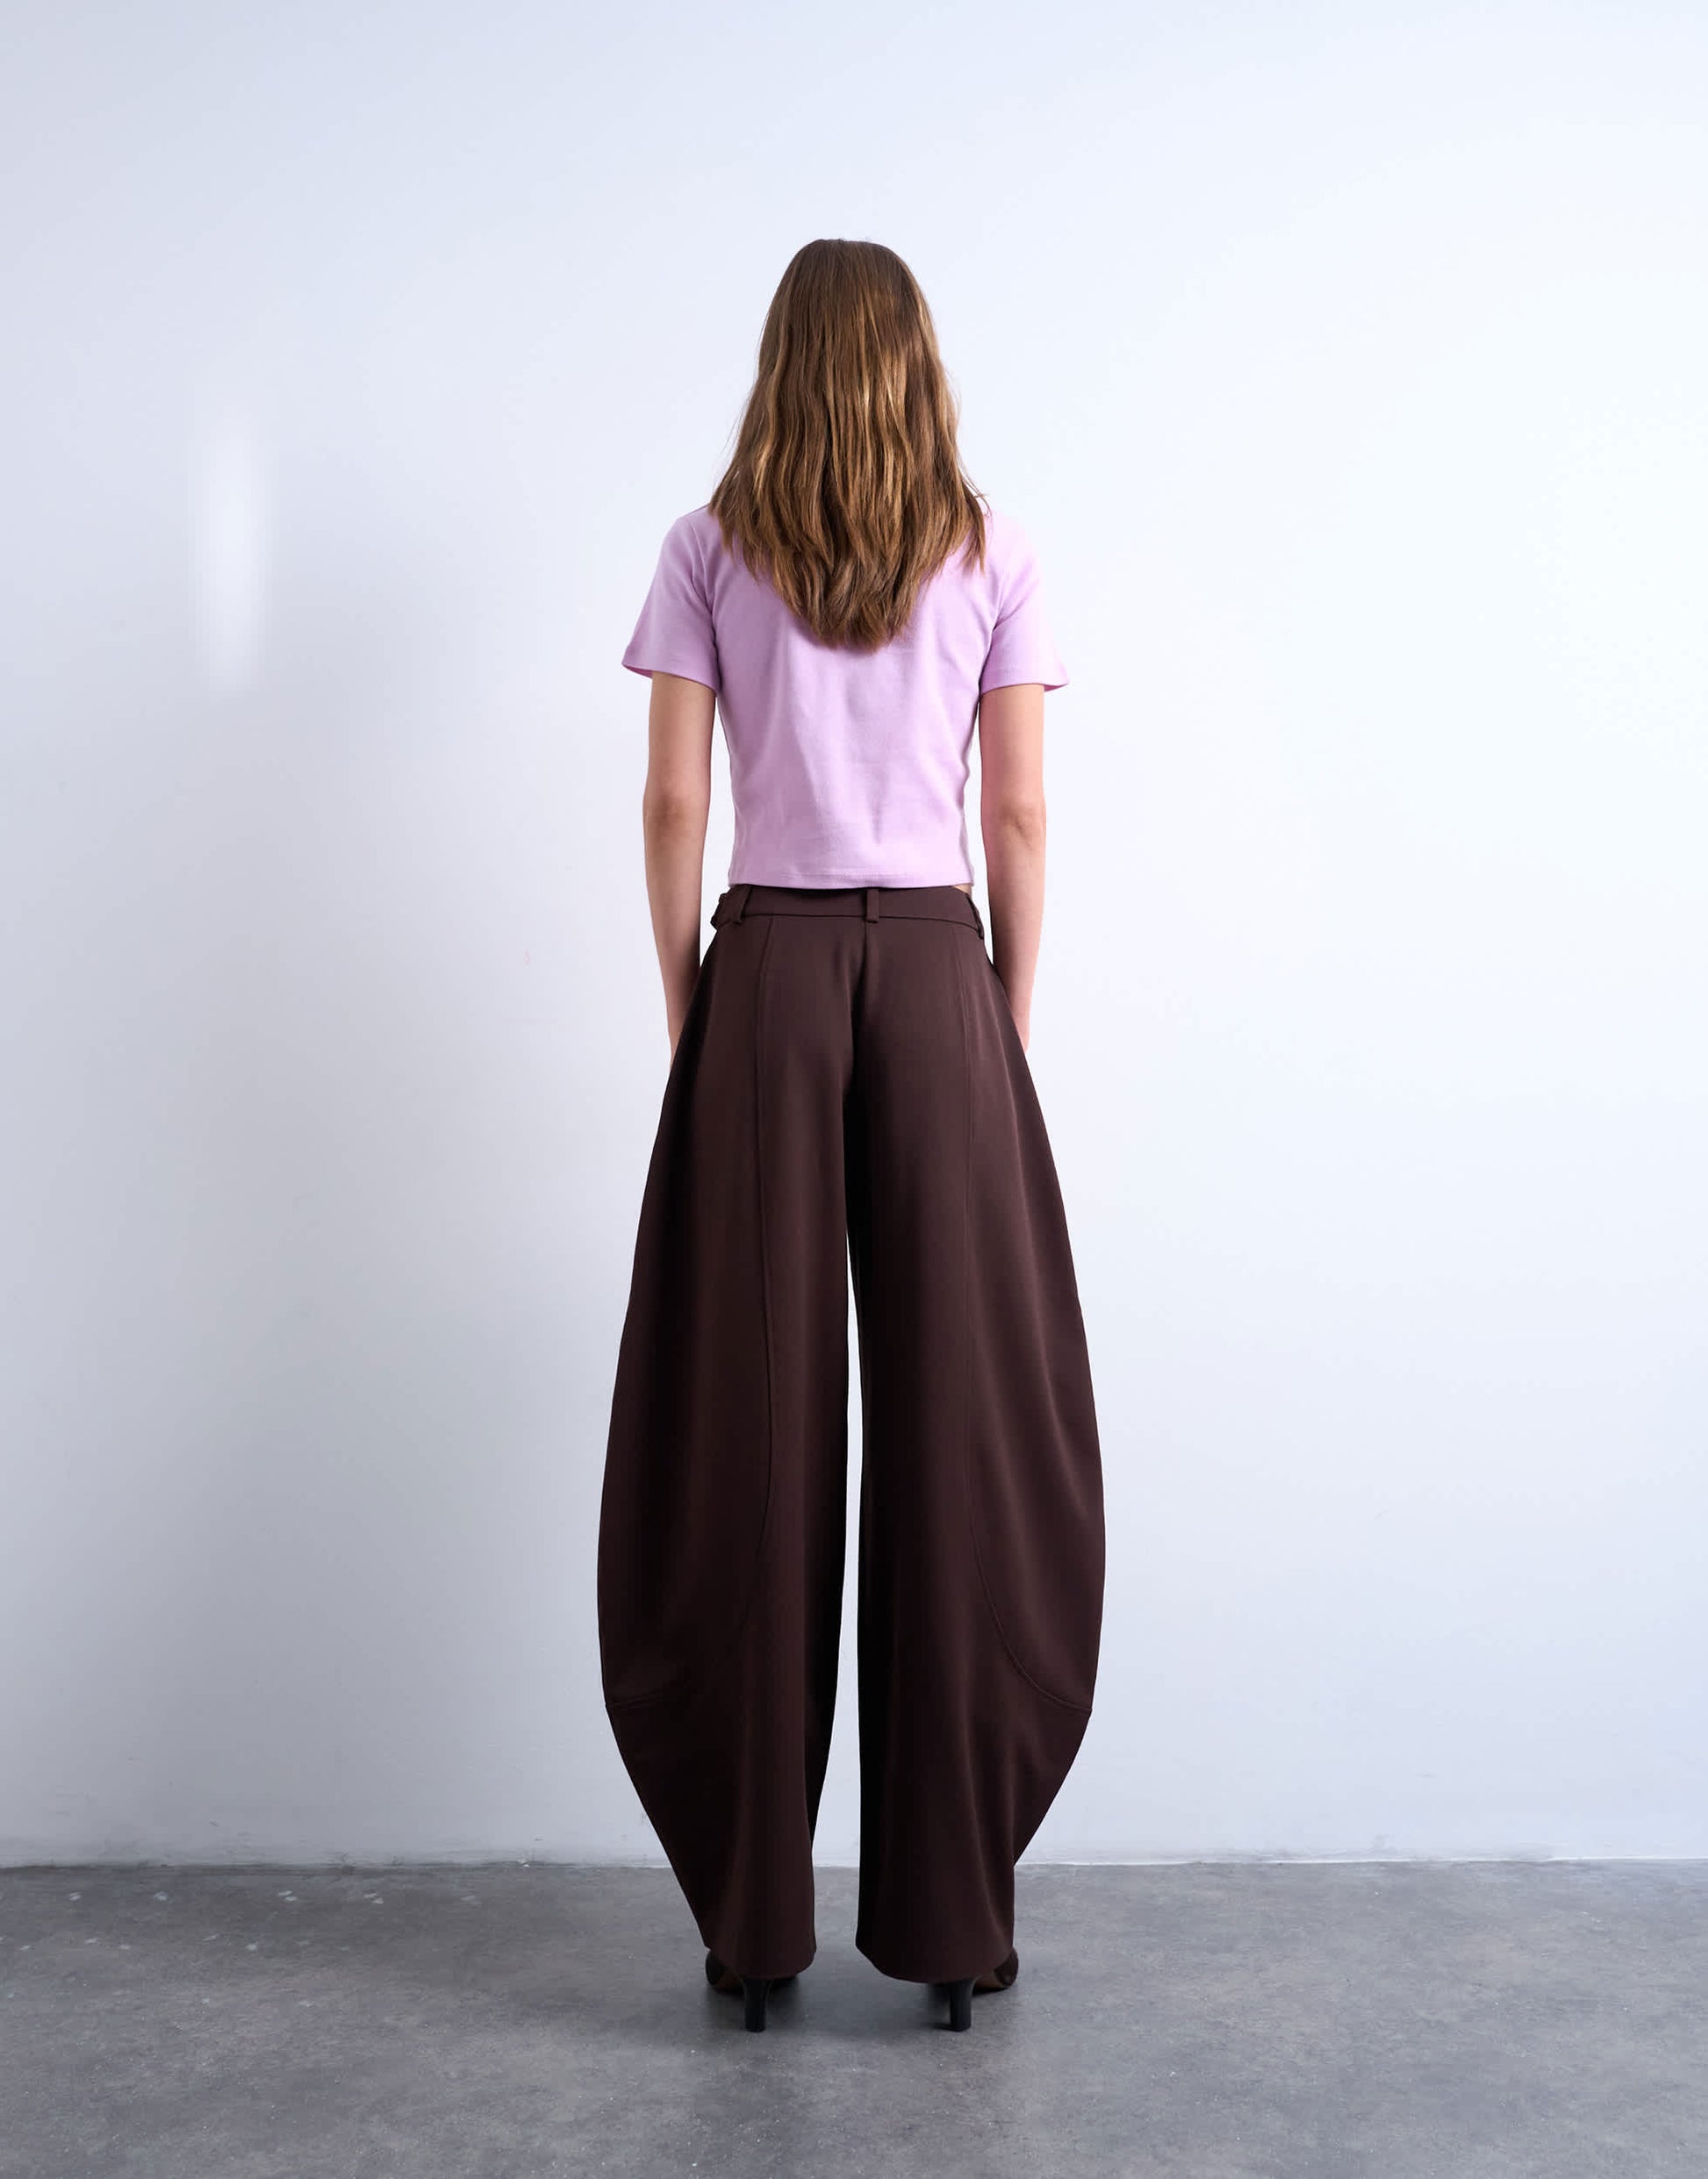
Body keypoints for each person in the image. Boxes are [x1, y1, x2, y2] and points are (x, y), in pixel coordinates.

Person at [596, 237, 1105, 2035]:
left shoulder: (705, 547)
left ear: (781, 364)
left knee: (749, 1428)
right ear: (917, 365)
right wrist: (997, 1022)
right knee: (963, 1432)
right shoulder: (991, 551)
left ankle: (753, 1926)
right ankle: (955, 1918)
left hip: (767, 975)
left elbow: (673, 799)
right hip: (938, 976)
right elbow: (1017, 817)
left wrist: (697, 1010)